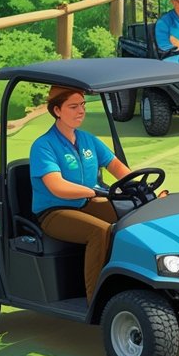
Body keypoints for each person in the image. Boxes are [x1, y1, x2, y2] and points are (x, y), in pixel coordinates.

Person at [29, 86, 132, 302]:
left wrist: (137, 186)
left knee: (132, 220)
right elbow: (57, 187)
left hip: (86, 202)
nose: (81, 111)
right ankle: (96, 298)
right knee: (100, 231)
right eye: (73, 106)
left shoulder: (88, 140)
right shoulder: (43, 146)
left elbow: (117, 168)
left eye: (83, 105)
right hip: (55, 211)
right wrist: (92, 191)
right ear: (57, 110)